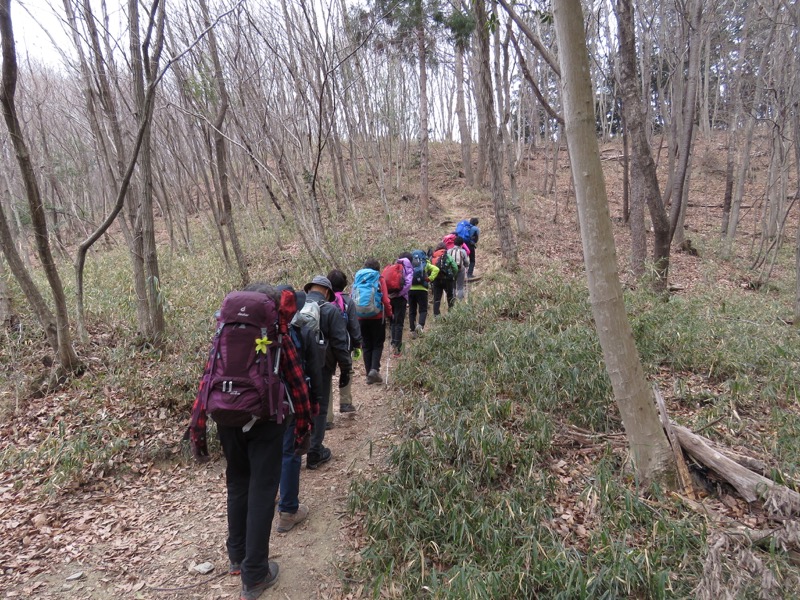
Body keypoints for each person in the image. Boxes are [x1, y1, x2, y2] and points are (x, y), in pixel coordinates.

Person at [188, 283, 313, 600]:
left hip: (226, 417)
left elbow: (207, 379)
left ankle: (237, 557)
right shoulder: (275, 334)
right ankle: (255, 574)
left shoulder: (224, 334)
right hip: (266, 420)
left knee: (238, 483)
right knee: (261, 490)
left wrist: (198, 430)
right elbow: (297, 381)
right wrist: (303, 429)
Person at [276, 288, 322, 534]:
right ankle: (287, 511)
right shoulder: (299, 333)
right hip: (291, 402)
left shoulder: (260, 331)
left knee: (267, 454)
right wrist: (316, 402)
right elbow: (311, 372)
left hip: (258, 403)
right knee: (290, 453)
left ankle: (266, 503)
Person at [302, 275, 352, 469]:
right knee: (320, 408)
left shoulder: (296, 307)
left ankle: (295, 450)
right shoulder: (330, 310)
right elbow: (340, 343)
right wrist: (346, 368)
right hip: (322, 366)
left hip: (296, 367)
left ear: (309, 290)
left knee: (300, 407)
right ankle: (315, 452)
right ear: (327, 292)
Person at [326, 269, 363, 427]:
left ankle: (327, 419)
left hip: (325, 346)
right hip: (344, 343)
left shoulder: (323, 300)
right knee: (346, 370)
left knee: (326, 377)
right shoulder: (348, 301)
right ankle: (345, 403)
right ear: (344, 284)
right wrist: (357, 344)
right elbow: (354, 325)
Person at [354, 258, 393, 384]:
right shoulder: (379, 279)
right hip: (377, 316)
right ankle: (374, 369)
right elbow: (386, 300)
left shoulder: (358, 278)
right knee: (377, 343)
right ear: (377, 268)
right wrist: (390, 314)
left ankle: (368, 374)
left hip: (360, 316)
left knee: (366, 345)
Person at [408, 249, 439, 338]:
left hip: (411, 289)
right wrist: (430, 278)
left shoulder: (410, 264)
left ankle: (412, 330)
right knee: (423, 309)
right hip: (422, 289)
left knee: (412, 311)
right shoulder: (425, 263)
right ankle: (420, 325)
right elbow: (436, 269)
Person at [388, 253, 413, 356]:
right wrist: (400, 293)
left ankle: (393, 343)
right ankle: (397, 350)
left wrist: (390, 295)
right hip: (400, 298)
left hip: (390, 297)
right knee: (399, 323)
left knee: (393, 322)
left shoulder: (394, 265)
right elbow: (408, 283)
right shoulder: (408, 267)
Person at [431, 243, 456, 316]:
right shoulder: (447, 256)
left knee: (436, 298)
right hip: (447, 279)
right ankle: (451, 314)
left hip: (436, 280)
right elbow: (455, 267)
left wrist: (431, 278)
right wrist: (453, 275)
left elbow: (429, 269)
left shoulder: (433, 256)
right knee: (450, 296)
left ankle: (436, 315)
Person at [450, 236, 470, 301]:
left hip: (452, 270)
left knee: (453, 285)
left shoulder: (449, 251)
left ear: (454, 243)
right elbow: (466, 262)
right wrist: (466, 267)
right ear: (462, 244)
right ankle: (460, 301)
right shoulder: (463, 251)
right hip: (460, 269)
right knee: (460, 286)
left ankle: (452, 300)